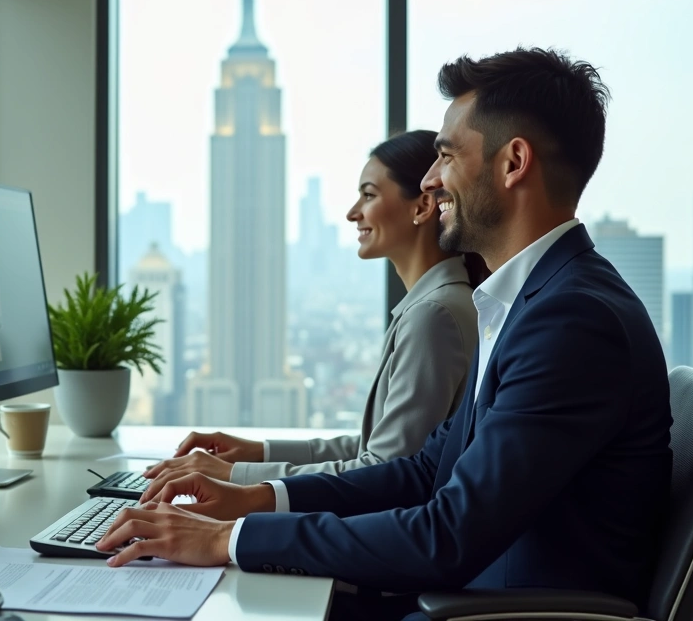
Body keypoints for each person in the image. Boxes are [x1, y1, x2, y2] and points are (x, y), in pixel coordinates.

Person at [97, 47, 672, 621]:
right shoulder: (523, 302)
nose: (430, 180)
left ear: (513, 162)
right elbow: (425, 472)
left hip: (499, 610)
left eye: (446, 155)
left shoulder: (571, 320)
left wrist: (230, 539)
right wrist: (255, 498)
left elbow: (448, 536)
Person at [142, 131, 482, 496]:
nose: (353, 213)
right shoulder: (436, 304)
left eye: (368, 195)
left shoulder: (433, 315)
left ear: (422, 207)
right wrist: (257, 453)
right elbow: (376, 446)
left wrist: (235, 477)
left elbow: (384, 470)